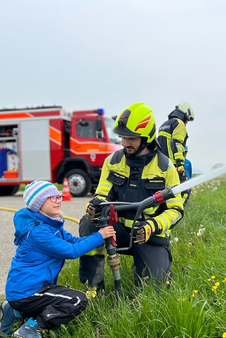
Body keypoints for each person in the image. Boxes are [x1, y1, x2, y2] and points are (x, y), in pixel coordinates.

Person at [79, 102, 184, 297]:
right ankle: (94, 288)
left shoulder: (165, 167)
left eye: (131, 138)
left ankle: (143, 267)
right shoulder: (112, 161)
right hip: (117, 231)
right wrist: (95, 206)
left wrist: (152, 226)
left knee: (156, 291)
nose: (125, 143)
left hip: (148, 234)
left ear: (147, 137)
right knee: (89, 223)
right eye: (123, 137)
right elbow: (101, 195)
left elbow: (176, 210)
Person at [0, 180, 115, 338]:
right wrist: (98, 236)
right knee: (77, 300)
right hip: (27, 292)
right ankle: (29, 330)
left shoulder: (49, 224)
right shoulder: (38, 232)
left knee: (59, 301)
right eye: (51, 198)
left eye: (58, 196)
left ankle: (13, 311)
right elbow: (71, 251)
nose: (58, 200)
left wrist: (100, 239)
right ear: (38, 204)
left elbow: (74, 241)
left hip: (27, 290)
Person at [156, 101, 194, 184]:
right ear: (185, 114)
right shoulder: (179, 124)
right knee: (183, 192)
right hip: (173, 167)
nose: (187, 122)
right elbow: (177, 144)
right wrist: (180, 165)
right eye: (187, 120)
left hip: (160, 166)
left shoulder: (164, 125)